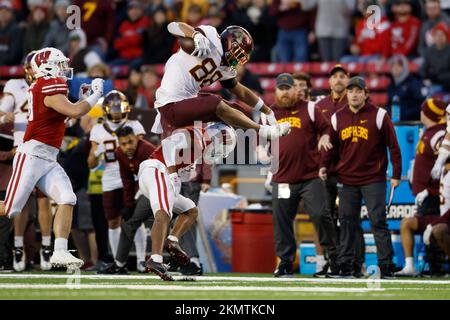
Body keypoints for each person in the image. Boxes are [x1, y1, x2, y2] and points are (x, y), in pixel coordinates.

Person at [0, 47, 104, 269]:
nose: (64, 69)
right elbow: (75, 112)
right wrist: (95, 96)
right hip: (31, 155)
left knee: (67, 198)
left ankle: (59, 251)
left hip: (48, 157)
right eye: (60, 64)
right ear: (47, 67)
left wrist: (83, 100)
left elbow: (62, 119)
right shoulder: (48, 84)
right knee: (11, 209)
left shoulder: (45, 86)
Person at [320, 76, 402, 279]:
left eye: (358, 91)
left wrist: (396, 174)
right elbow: (330, 148)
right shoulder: (337, 117)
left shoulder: (380, 115)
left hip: (374, 178)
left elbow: (394, 146)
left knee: (378, 221)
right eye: (351, 91)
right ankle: (346, 267)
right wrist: (324, 166)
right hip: (346, 179)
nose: (354, 94)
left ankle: (386, 265)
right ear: (346, 94)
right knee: (346, 223)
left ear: (366, 94)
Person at [151, 22, 290, 141]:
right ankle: (262, 131)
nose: (237, 60)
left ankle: (210, 144)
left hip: (186, 103)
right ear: (230, 41)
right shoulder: (211, 37)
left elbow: (240, 91)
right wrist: (194, 35)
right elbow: (173, 26)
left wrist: (267, 110)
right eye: (238, 53)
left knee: (238, 110)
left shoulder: (225, 67)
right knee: (215, 103)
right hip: (171, 104)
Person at [259, 73, 337, 278]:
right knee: (282, 220)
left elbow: (327, 127)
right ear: (275, 91)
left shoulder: (310, 108)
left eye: (288, 88)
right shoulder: (268, 113)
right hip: (283, 180)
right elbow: (261, 140)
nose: (285, 92)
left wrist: (326, 137)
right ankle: (285, 262)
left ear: (296, 90)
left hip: (310, 178)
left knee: (321, 214)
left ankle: (331, 257)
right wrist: (261, 152)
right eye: (281, 88)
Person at [140, 123, 237, 280]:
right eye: (224, 144)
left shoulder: (202, 146)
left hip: (161, 174)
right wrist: (173, 174)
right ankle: (155, 259)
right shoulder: (198, 135)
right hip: (157, 169)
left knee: (191, 210)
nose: (222, 150)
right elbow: (168, 144)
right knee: (164, 214)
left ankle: (172, 241)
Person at [0, 51, 55, 272]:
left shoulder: (52, 85)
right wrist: (4, 116)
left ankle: (47, 246)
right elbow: (4, 109)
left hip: (44, 148)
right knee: (19, 202)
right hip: (23, 149)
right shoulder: (15, 85)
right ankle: (19, 246)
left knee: (44, 201)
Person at [87, 90, 148, 272]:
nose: (116, 112)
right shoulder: (98, 129)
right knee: (113, 221)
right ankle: (116, 261)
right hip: (111, 178)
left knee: (137, 220)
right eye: (112, 109)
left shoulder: (134, 126)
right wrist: (96, 153)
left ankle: (141, 261)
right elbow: (90, 164)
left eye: (119, 108)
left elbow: (140, 152)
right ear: (106, 110)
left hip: (132, 176)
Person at [396, 98, 447, 276]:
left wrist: (430, 190)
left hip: (435, 197)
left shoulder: (439, 134)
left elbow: (445, 165)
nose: (421, 113)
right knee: (411, 225)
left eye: (423, 110)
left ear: (429, 113)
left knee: (433, 230)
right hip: (425, 197)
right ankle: (415, 266)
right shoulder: (430, 132)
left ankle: (437, 267)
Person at [97, 126, 156, 274]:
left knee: (171, 222)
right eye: (123, 144)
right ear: (118, 144)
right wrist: (129, 204)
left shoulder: (147, 150)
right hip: (149, 187)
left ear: (138, 138)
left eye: (130, 142)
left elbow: (156, 176)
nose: (128, 147)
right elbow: (127, 179)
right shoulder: (119, 153)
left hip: (161, 186)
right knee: (130, 222)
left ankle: (124, 264)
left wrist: (133, 202)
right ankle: (122, 264)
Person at [420, 22, 450, 94]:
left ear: (446, 36)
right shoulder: (430, 51)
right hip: (433, 81)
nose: (439, 38)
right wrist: (425, 78)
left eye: (442, 35)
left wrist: (439, 77)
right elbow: (423, 69)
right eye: (437, 35)